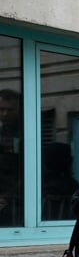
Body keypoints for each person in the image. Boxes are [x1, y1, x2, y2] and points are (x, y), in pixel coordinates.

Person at [0, 89, 23, 226]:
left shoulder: (28, 132)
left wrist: (7, 196)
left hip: (17, 201)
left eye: (10, 110)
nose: (5, 114)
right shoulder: (2, 132)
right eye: (1, 109)